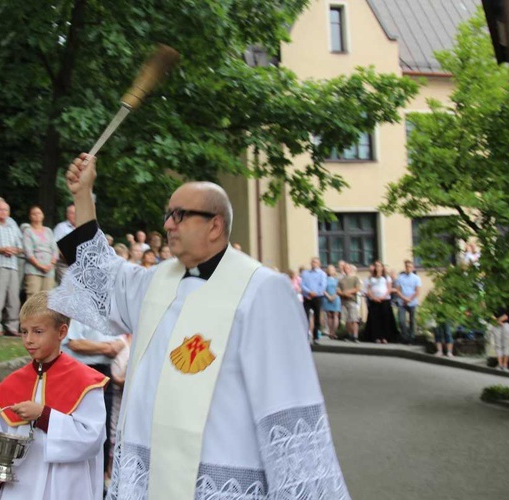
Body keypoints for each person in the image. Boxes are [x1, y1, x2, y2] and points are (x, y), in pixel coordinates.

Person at [51, 153, 349, 499]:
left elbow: (287, 404)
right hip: (151, 474)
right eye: (167, 215)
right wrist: (83, 195)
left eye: (180, 215)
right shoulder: (155, 282)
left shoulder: (263, 290)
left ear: (215, 225)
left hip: (220, 475)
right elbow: (101, 276)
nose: (168, 225)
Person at [0, 291, 108, 499]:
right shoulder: (11, 385)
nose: (29, 340)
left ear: (62, 332)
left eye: (38, 331)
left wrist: (43, 415)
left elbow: (92, 439)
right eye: (24, 331)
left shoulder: (86, 382)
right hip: (19, 488)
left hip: (65, 485)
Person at [62, 320, 126, 484]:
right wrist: (107, 348)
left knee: (102, 427)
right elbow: (75, 343)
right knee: (80, 425)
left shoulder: (109, 311)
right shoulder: (77, 309)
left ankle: (100, 477)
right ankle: (77, 478)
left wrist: (111, 347)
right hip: (82, 371)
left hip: (104, 373)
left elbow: (120, 341)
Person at [0, 200, 24, 336]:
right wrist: (1, 249)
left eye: (5, 210)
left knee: (13, 297)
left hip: (12, 265)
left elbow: (21, 245)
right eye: (0, 210)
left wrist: (15, 250)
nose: (3, 212)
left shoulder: (12, 224)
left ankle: (12, 326)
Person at [23, 205, 59, 299]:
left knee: (47, 298)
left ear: (43, 215)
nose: (37, 215)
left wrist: (51, 264)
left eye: (39, 213)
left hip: (49, 269)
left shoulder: (48, 231)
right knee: (33, 297)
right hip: (33, 270)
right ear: (30, 217)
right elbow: (28, 252)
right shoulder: (28, 231)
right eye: (34, 214)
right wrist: (40, 266)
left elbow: (54, 249)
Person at [363, 260, 398, 344]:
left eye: (379, 266)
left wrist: (383, 297)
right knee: (375, 320)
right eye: (376, 266)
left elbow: (389, 288)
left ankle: (385, 337)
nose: (378, 267)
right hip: (374, 300)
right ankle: (376, 337)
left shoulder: (386, 277)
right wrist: (373, 297)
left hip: (384, 300)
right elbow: (368, 289)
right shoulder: (371, 278)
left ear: (382, 267)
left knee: (385, 319)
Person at [301, 257, 327, 344]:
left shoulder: (322, 274)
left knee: (317, 318)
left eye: (316, 262)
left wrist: (315, 293)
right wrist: (309, 292)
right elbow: (302, 284)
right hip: (307, 297)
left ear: (319, 264)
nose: (314, 264)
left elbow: (323, 285)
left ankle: (316, 337)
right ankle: (305, 336)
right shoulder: (305, 273)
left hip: (318, 297)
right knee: (305, 316)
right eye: (312, 262)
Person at [396, 260, 421, 344]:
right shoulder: (400, 277)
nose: (408, 268)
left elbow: (417, 291)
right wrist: (404, 299)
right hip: (402, 302)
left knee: (412, 321)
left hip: (412, 302)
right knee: (401, 321)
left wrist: (409, 299)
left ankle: (412, 338)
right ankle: (405, 337)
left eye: (410, 267)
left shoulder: (416, 278)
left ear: (413, 268)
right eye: (407, 266)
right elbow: (398, 290)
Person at [337, 264, 362, 342]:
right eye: (345, 268)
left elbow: (358, 288)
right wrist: (343, 293)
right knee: (347, 320)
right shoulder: (341, 280)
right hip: (344, 301)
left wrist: (348, 292)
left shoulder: (355, 278)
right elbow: (338, 290)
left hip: (352, 301)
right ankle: (349, 334)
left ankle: (355, 335)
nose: (346, 269)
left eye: (347, 268)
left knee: (354, 319)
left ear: (350, 269)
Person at [52, 204, 76, 284]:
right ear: (67, 215)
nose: (75, 215)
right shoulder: (61, 227)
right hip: (64, 264)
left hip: (78, 266)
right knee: (67, 288)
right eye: (72, 213)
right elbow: (55, 246)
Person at [323, 264, 341, 339]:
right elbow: (323, 288)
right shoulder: (324, 279)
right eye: (329, 269)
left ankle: (334, 332)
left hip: (336, 298)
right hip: (327, 298)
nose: (331, 271)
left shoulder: (337, 279)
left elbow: (339, 289)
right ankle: (330, 332)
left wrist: (333, 296)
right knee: (329, 316)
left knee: (335, 315)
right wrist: (328, 296)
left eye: (332, 269)